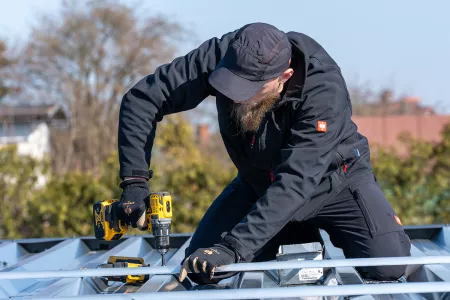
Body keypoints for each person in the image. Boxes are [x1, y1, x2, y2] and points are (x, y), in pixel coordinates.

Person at [115, 22, 411, 285]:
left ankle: (303, 232)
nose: (233, 96)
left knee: (387, 265)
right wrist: (135, 182)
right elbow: (142, 99)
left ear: (285, 76)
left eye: (247, 89)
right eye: (229, 85)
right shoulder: (223, 55)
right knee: (202, 267)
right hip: (258, 185)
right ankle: (293, 234)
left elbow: (296, 181)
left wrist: (234, 247)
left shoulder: (324, 91)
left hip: (334, 184)